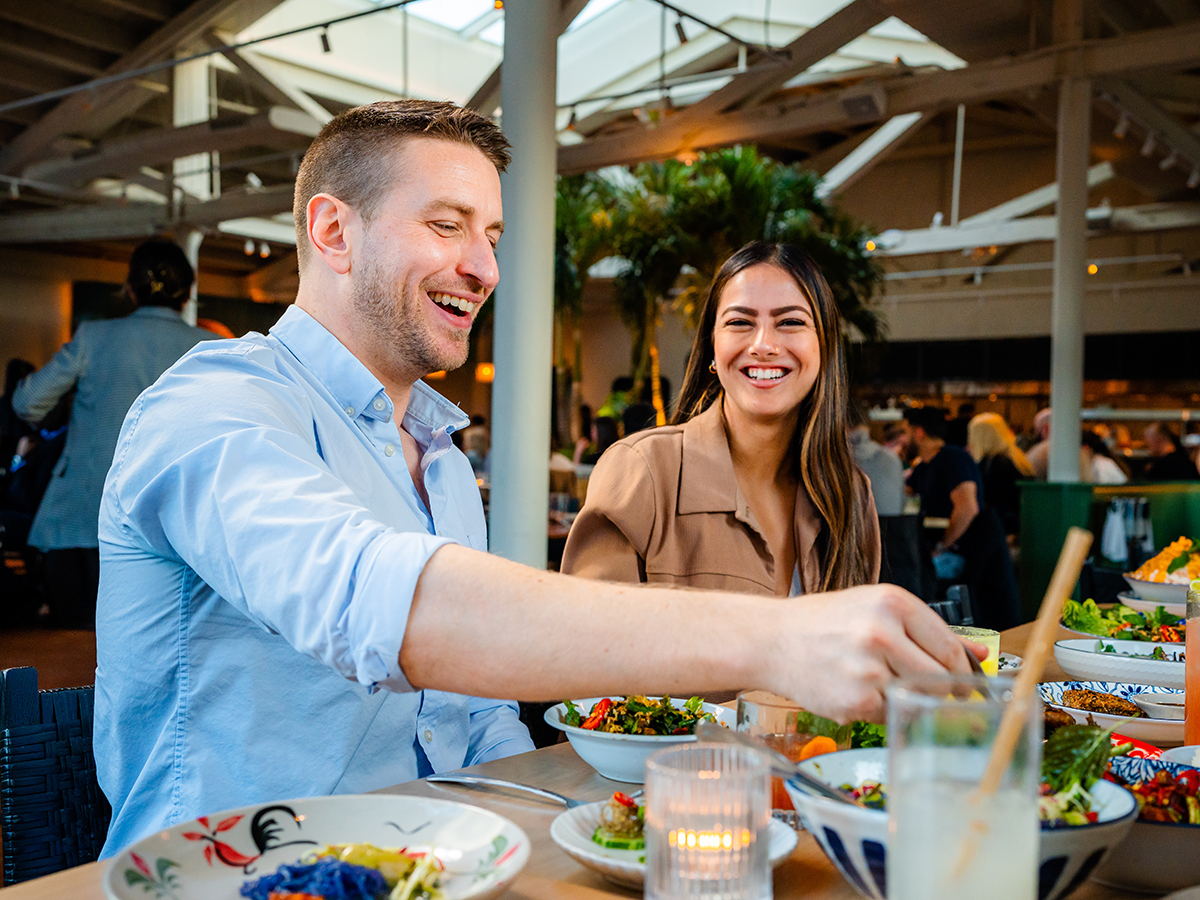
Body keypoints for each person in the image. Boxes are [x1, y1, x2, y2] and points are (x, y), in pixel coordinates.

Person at [94, 100, 973, 856]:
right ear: (332, 231)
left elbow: (475, 725)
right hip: (230, 875)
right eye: (447, 225)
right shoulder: (212, 409)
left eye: (492, 234)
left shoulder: (437, 455)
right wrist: (777, 640)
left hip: (429, 862)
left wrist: (574, 829)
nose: (485, 268)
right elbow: (380, 602)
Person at [562, 241, 880, 596]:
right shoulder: (643, 471)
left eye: (790, 321)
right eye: (740, 322)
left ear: (824, 346)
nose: (764, 345)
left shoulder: (848, 493)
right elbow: (591, 643)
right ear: (713, 347)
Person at [12, 241, 217, 627]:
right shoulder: (213, 349)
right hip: (174, 529)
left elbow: (27, 402)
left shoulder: (93, 337)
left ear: (130, 288)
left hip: (81, 519)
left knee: (74, 646)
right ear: (188, 293)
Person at [905, 406, 1020, 629]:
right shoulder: (924, 466)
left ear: (918, 433)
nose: (903, 438)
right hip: (959, 549)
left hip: (976, 547)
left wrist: (942, 546)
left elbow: (968, 507)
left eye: (906, 431)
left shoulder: (953, 458)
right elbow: (905, 492)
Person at [966, 412, 1035, 539]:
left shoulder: (992, 464)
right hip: (1019, 526)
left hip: (998, 528)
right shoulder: (1017, 458)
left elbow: (988, 500)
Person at [849, 410, 904, 518]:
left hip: (856, 528)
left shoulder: (838, 458)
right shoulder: (892, 457)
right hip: (892, 527)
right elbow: (902, 502)